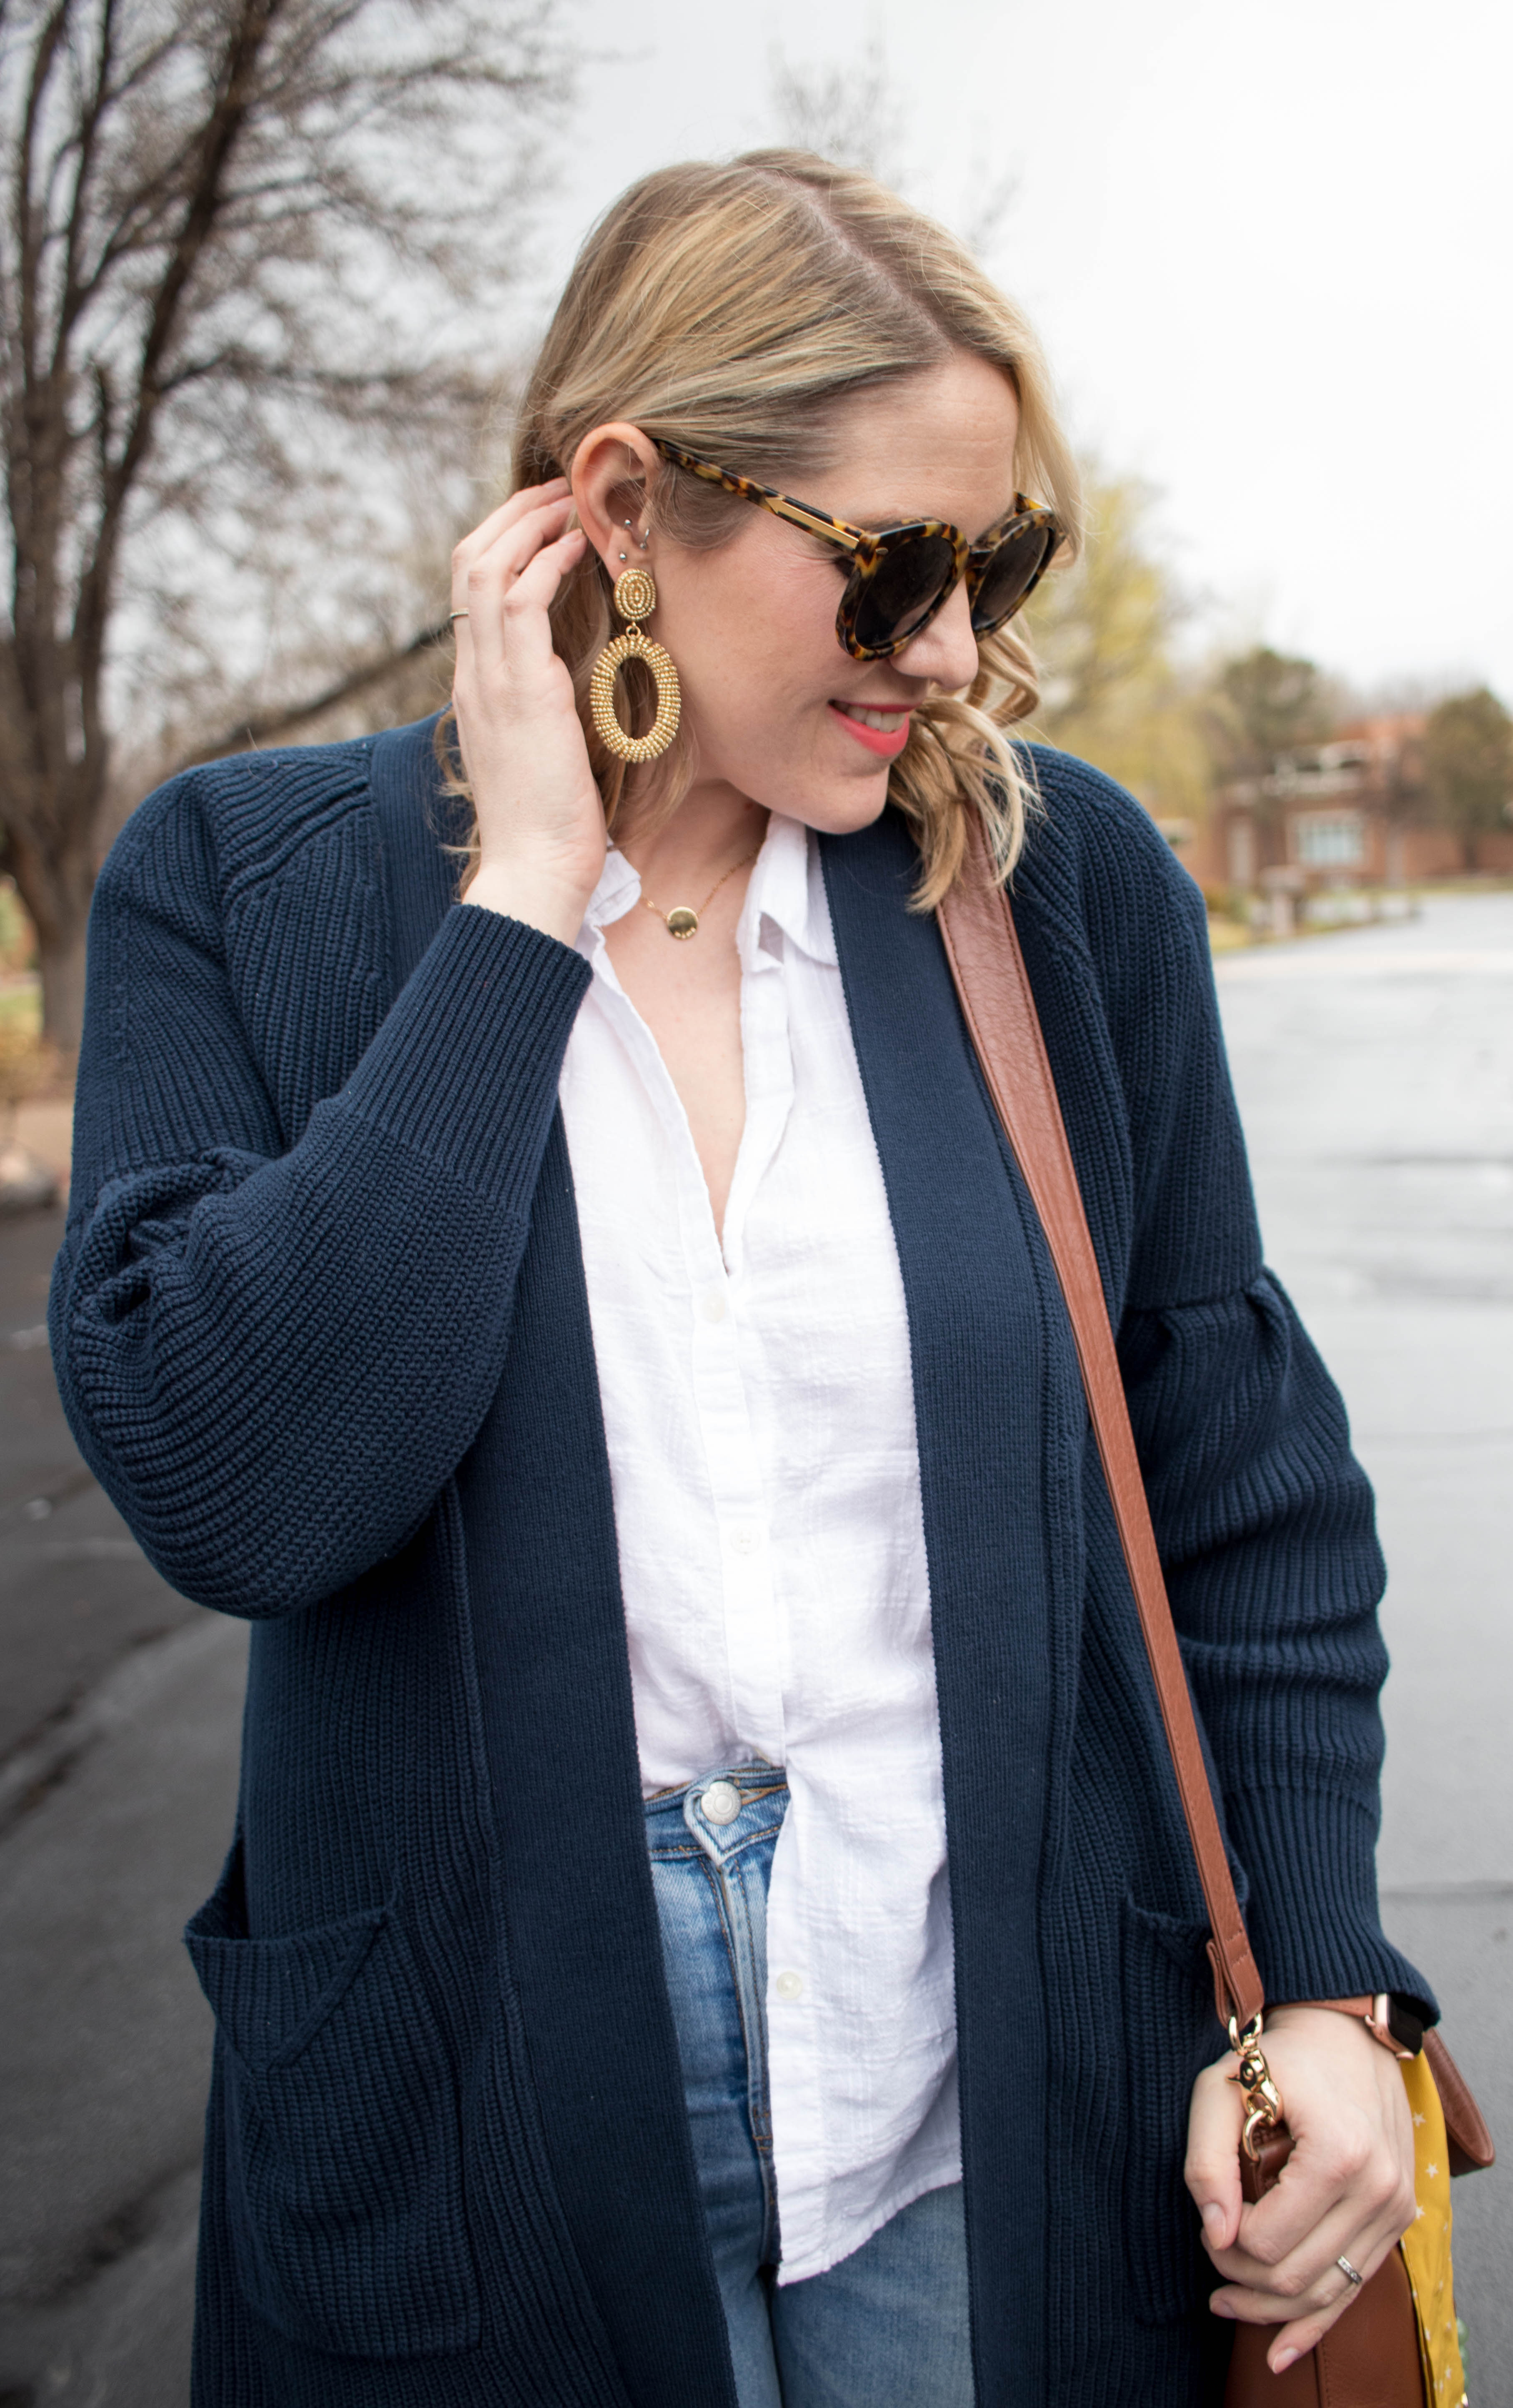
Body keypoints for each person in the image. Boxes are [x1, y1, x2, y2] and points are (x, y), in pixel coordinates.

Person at [51, 152, 1428, 2408]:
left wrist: (1329, 1997)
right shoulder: (241, 887)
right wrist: (523, 916)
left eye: (996, 566)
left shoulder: (1058, 895)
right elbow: (247, 1490)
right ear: (621, 505)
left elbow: (1240, 1482)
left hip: (984, 2108)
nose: (955, 650)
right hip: (467, 2131)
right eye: (891, 568)